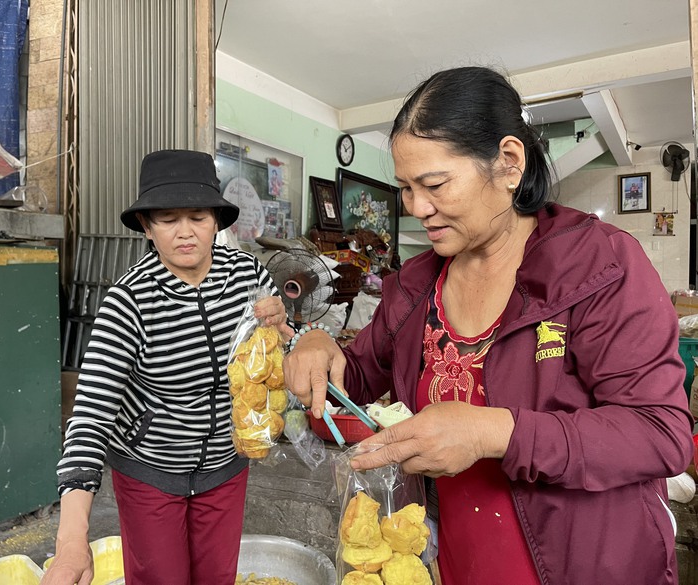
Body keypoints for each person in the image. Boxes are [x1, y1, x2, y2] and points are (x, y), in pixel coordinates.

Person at [284, 67, 693, 585]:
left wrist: (492, 431)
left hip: (589, 565)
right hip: (455, 562)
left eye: (434, 184)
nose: (417, 208)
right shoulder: (415, 288)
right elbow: (357, 376)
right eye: (405, 188)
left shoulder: (598, 266)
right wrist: (317, 344)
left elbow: (659, 432)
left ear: (508, 162)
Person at [42, 150, 291, 585]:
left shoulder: (247, 275)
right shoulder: (129, 302)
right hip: (150, 473)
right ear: (146, 225)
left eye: (198, 217)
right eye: (168, 219)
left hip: (226, 466)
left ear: (216, 220)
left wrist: (286, 329)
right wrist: (70, 541)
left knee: (217, 578)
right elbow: (90, 418)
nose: (185, 232)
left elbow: (281, 348)